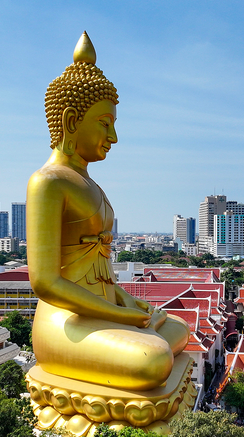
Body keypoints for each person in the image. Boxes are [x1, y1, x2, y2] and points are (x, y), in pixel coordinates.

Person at [27, 32, 189, 391]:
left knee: (179, 329)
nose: (113, 136)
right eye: (104, 123)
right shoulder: (48, 182)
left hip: (103, 313)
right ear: (72, 120)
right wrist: (119, 315)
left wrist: (128, 303)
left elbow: (102, 275)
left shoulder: (90, 185)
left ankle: (140, 334)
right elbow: (45, 283)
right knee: (153, 359)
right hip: (66, 322)